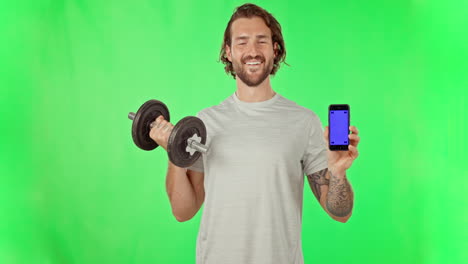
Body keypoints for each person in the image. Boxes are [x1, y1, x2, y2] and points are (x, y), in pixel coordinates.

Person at [149, 3, 360, 264]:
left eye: (261, 41)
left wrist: (338, 173)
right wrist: (174, 149)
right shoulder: (206, 122)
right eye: (242, 42)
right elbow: (183, 211)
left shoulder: (303, 121)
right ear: (228, 51)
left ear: (275, 49)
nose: (252, 51)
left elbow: (340, 213)